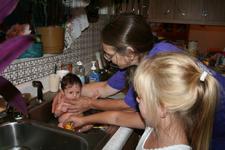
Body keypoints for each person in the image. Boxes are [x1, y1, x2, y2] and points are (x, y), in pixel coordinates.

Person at [52, 14, 225, 149]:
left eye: (110, 55)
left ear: (129, 51)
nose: (108, 59)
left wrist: (90, 105)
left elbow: (128, 107)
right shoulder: (135, 60)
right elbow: (104, 87)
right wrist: (67, 91)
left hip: (217, 124)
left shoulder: (158, 63)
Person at [59, 52, 220, 150]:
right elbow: (116, 117)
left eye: (141, 97)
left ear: (162, 108)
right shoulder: (155, 126)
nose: (136, 100)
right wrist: (82, 119)